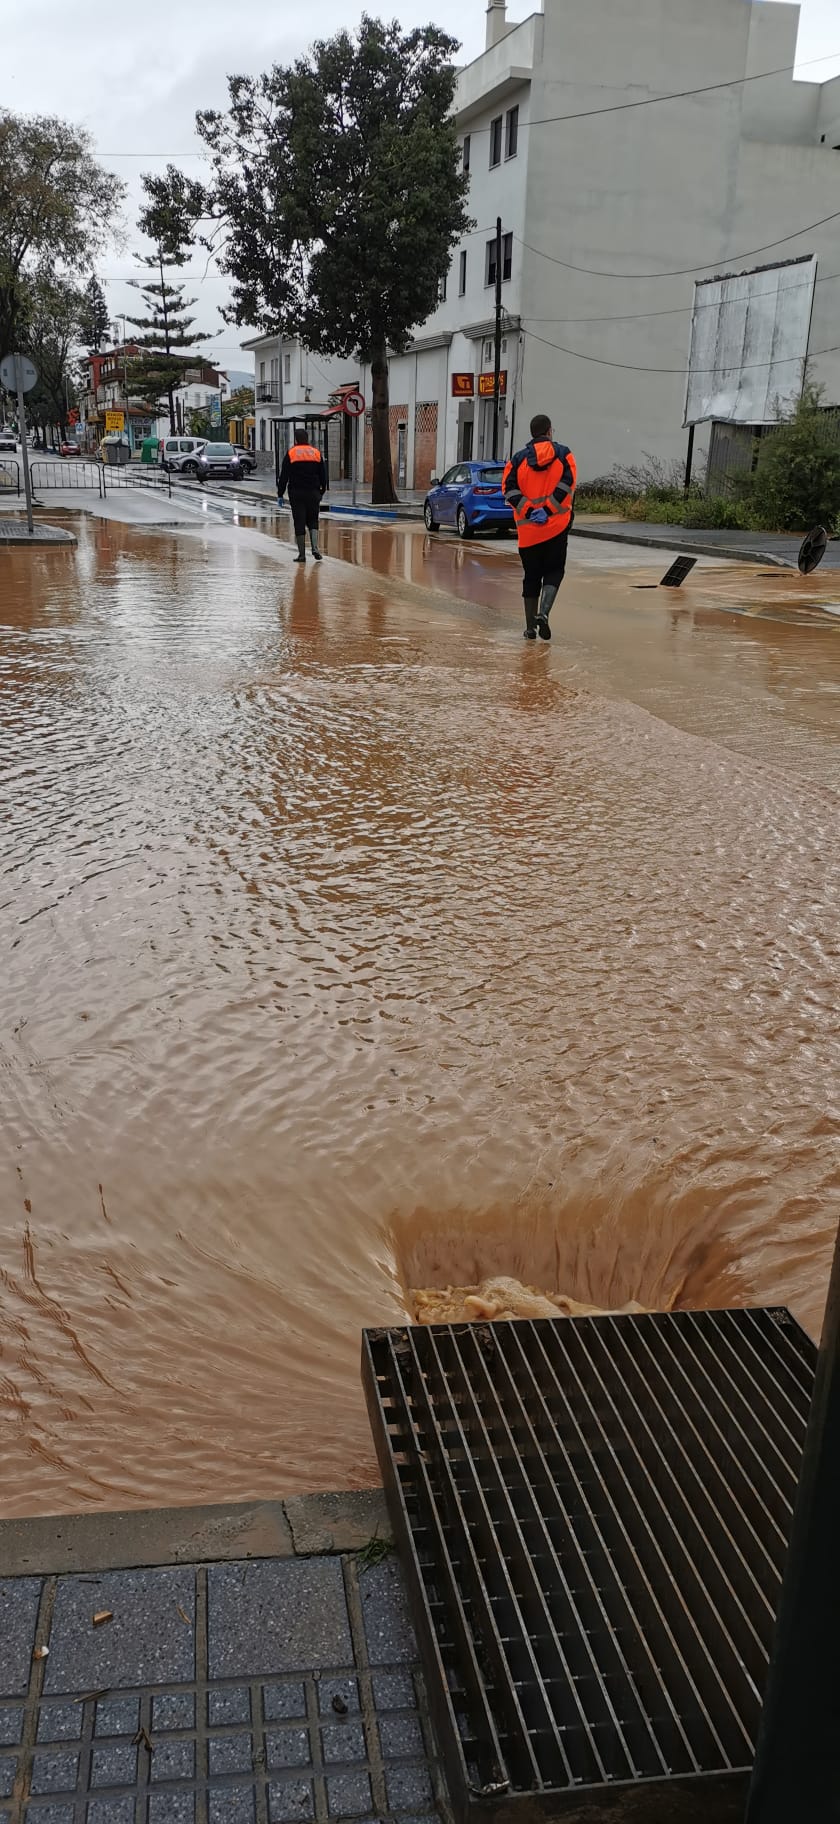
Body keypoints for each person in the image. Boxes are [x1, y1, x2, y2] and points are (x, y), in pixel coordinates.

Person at [503, 413, 577, 640]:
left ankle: (529, 629)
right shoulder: (564, 455)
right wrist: (547, 510)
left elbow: (508, 488)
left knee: (531, 576)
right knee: (554, 572)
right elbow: (568, 484)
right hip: (555, 528)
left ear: (532, 433)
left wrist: (528, 510)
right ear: (549, 431)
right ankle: (543, 613)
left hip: (528, 533)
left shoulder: (517, 460)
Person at [277, 430, 327, 563]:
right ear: (308, 439)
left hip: (297, 493)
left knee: (299, 521)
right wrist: (321, 491)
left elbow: (284, 476)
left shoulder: (291, 453)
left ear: (296, 440)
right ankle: (315, 548)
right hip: (313, 492)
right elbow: (323, 474)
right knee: (313, 520)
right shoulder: (316, 453)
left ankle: (302, 555)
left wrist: (280, 494)